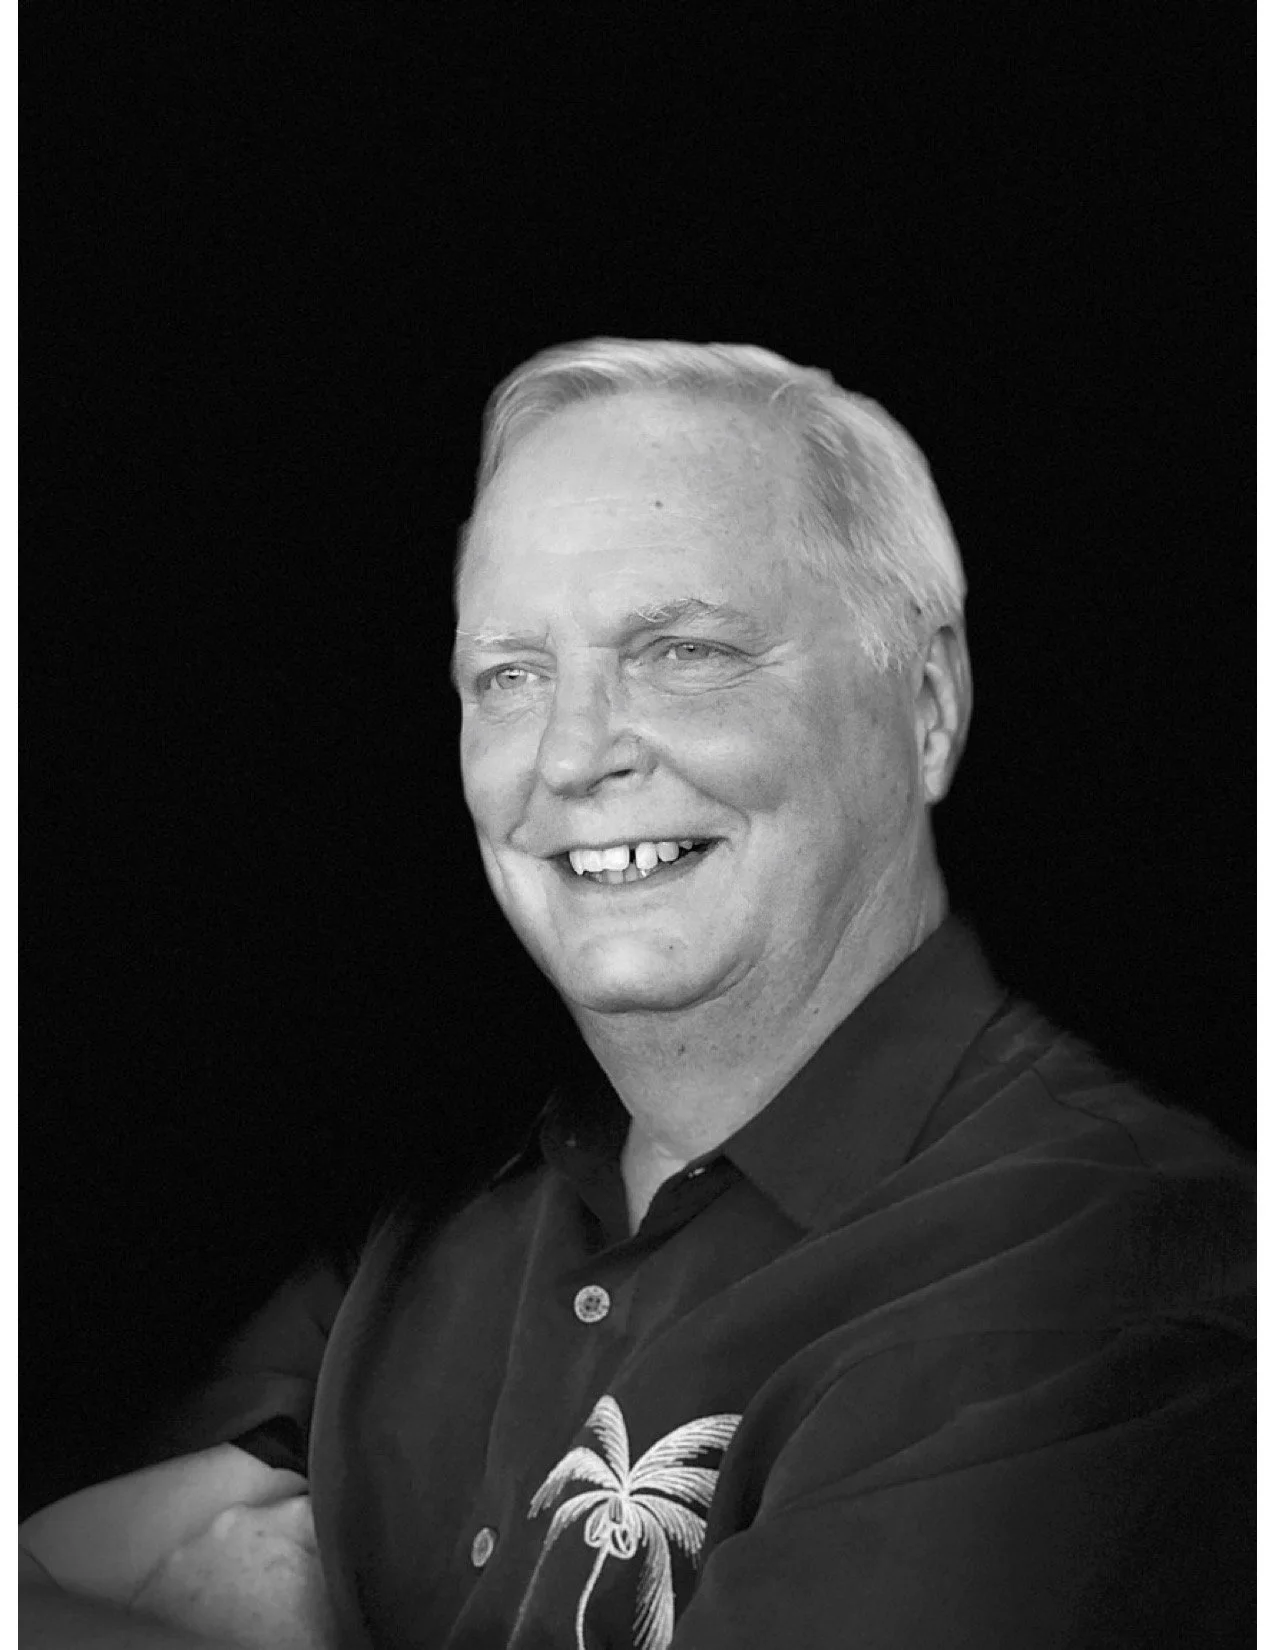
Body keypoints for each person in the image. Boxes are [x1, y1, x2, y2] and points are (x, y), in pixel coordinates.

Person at [21, 340, 1254, 1649]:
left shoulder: (1096, 1271)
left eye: (681, 650)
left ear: (928, 704)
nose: (569, 755)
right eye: (510, 674)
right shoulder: (441, 1217)